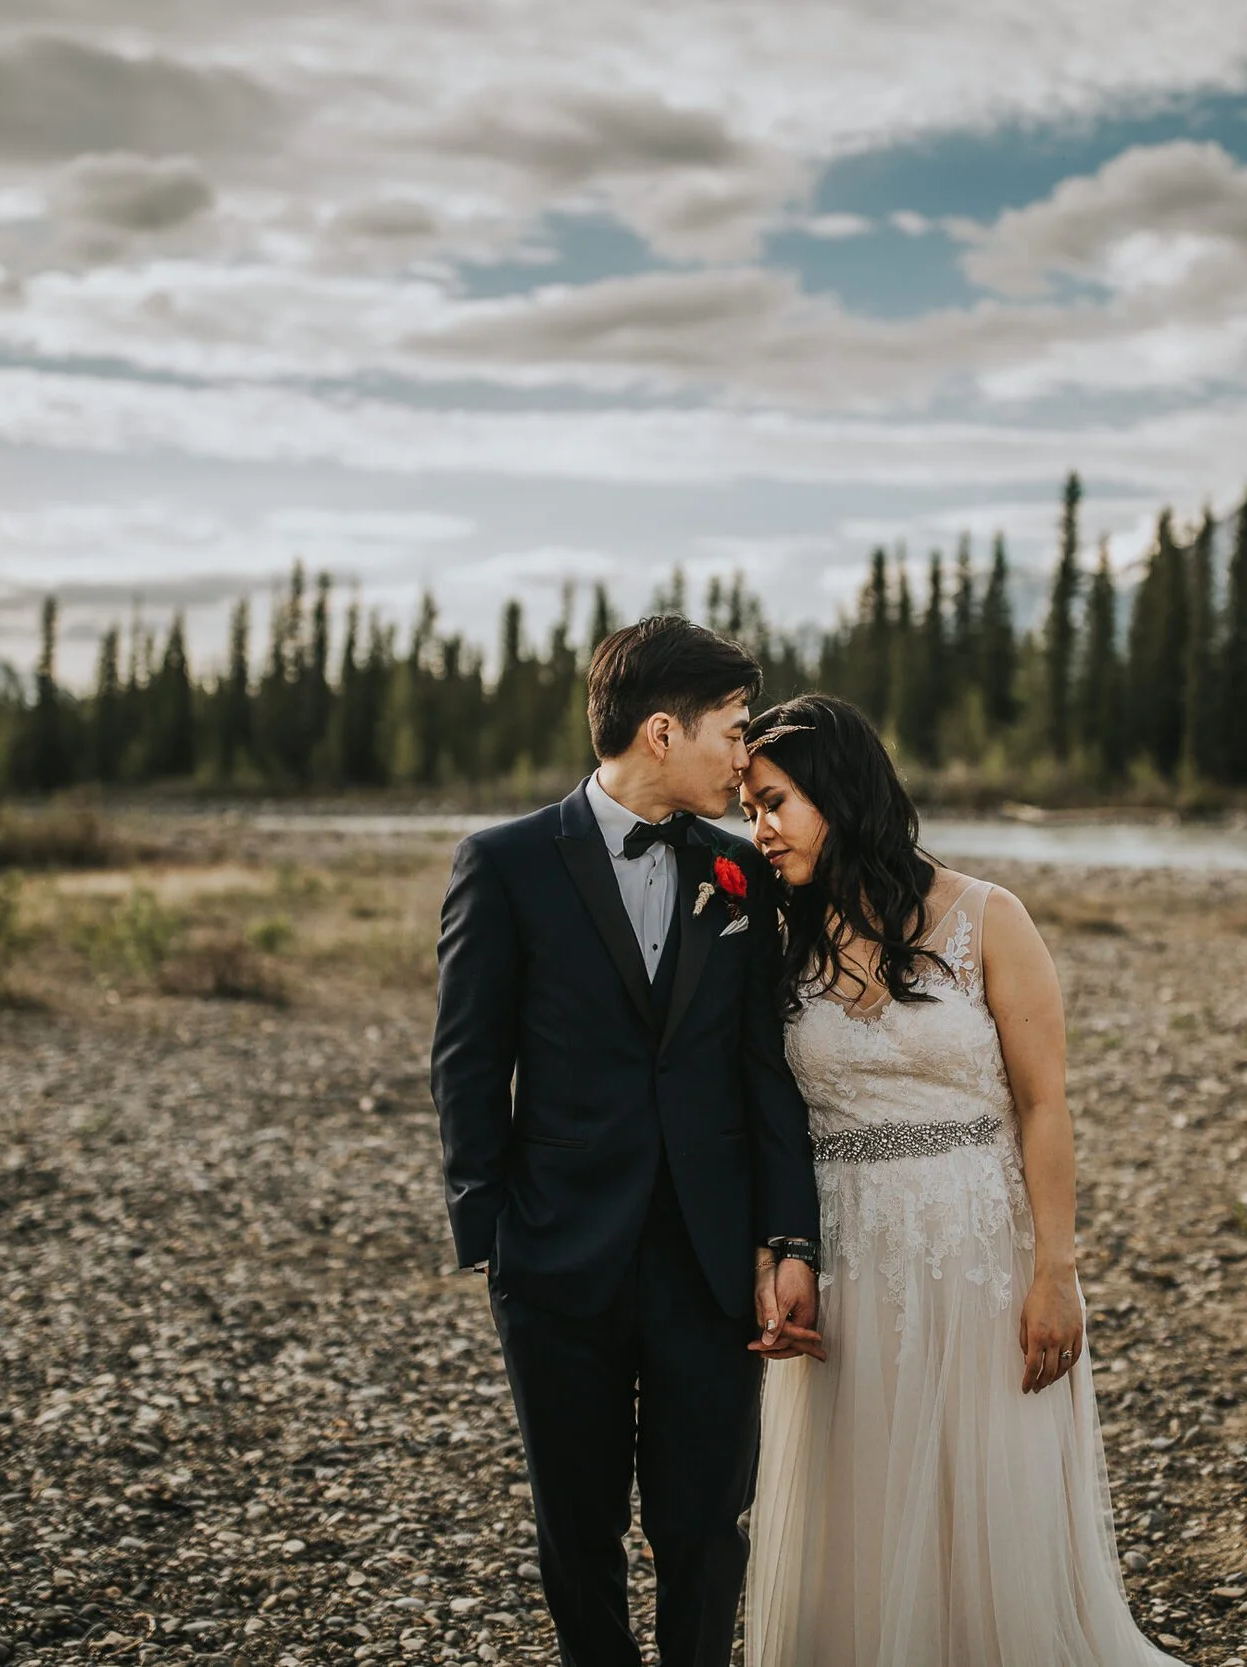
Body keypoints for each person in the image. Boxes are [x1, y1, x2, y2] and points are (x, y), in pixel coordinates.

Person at [736, 692, 1185, 1667]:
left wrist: (1056, 1271)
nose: (759, 829)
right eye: (749, 809)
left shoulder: (988, 916)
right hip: (848, 1255)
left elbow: (1045, 1104)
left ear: (837, 790)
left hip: (979, 1250)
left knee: (983, 1484)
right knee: (862, 1488)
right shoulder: (777, 937)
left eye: (774, 802)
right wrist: (779, 1251)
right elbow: (766, 1118)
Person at [431, 617, 821, 1667]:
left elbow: (765, 1067)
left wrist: (789, 1235)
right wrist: (494, 1237)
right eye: (732, 731)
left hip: (708, 1255)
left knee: (706, 1522)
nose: (743, 757)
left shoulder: (738, 872)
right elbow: (467, 1062)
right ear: (662, 731)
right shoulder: (504, 863)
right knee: (578, 1526)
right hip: (557, 1255)